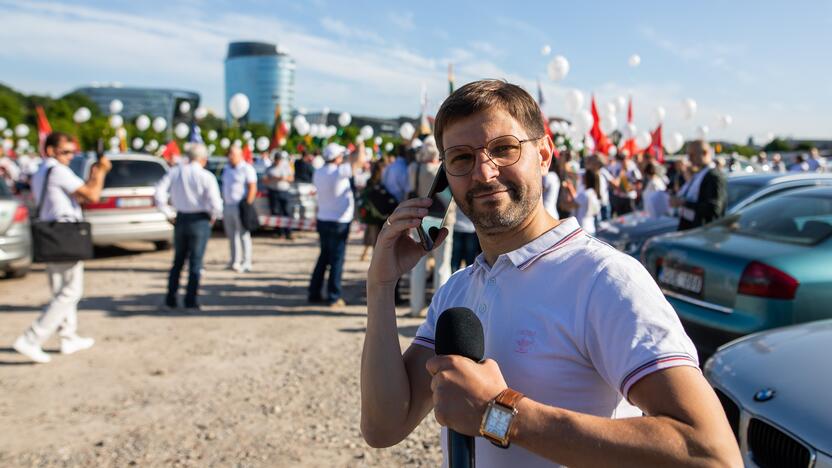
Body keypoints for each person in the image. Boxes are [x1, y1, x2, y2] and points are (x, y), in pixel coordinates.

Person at [360, 80, 741, 467]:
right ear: (445, 176)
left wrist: (499, 414)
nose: (484, 172)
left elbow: (711, 454)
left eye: (503, 149)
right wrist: (380, 285)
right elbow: (384, 427)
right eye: (461, 158)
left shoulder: (605, 279)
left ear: (543, 155)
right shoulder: (457, 290)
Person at [12, 132, 111, 363]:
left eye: (72, 152)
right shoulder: (58, 170)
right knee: (71, 292)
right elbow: (92, 195)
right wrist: (102, 171)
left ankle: (68, 336)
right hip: (64, 232)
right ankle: (32, 338)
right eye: (65, 152)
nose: (69, 157)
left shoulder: (41, 171)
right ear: (50, 150)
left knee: (61, 290)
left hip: (50, 231)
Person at [155, 143, 222, 311]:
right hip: (199, 219)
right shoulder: (206, 176)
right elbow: (216, 203)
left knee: (178, 261)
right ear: (203, 159)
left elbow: (159, 193)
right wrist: (213, 217)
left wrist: (168, 213)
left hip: (182, 218)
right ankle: (190, 300)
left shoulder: (176, 172)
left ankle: (171, 298)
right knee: (195, 262)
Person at [308, 142, 365, 307]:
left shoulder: (319, 172)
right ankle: (333, 296)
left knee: (323, 257)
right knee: (337, 260)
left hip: (323, 219)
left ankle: (314, 291)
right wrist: (360, 145)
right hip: (339, 222)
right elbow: (359, 161)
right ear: (336, 157)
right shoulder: (339, 171)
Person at [408, 137, 455, 318]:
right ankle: (440, 309)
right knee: (442, 266)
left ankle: (415, 306)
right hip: (444, 222)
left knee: (418, 266)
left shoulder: (415, 168)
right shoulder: (444, 170)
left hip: (419, 219)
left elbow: (410, 191)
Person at [671, 140, 727, 231]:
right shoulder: (699, 174)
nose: (689, 159)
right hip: (691, 231)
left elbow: (713, 209)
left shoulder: (713, 176)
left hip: (703, 235)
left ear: (705, 153)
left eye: (692, 155)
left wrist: (683, 203)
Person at [221, 146, 258, 272]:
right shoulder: (226, 168)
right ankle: (234, 261)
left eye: (232, 154)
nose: (230, 156)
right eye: (229, 154)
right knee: (232, 235)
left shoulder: (246, 168)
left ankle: (246, 262)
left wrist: (247, 205)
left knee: (243, 235)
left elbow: (252, 188)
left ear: (239, 155)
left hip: (240, 206)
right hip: (228, 205)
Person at [264, 151, 294, 240]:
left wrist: (284, 178)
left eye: (279, 159)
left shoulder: (286, 167)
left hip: (284, 191)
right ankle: (279, 232)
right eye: (277, 159)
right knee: (276, 212)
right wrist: (274, 179)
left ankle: (288, 232)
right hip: (273, 192)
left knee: (286, 212)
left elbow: (291, 178)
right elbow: (265, 180)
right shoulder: (269, 168)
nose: (278, 161)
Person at [564, 169, 601, 234]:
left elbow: (570, 205)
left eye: (584, 176)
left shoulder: (585, 194)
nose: (582, 177)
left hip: (583, 228)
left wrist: (569, 189)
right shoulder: (594, 193)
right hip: (591, 228)